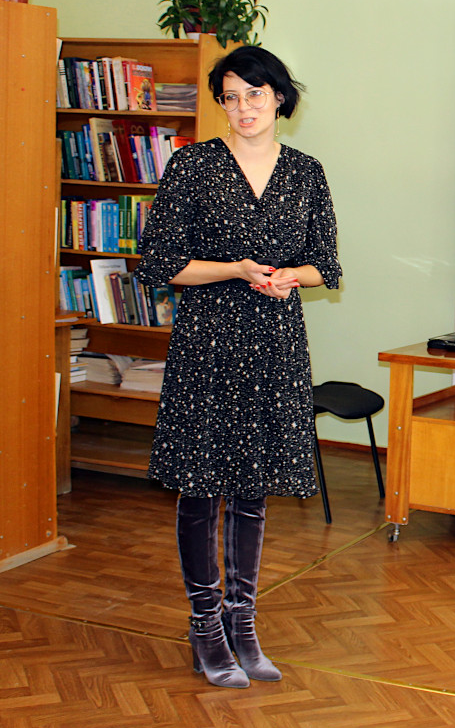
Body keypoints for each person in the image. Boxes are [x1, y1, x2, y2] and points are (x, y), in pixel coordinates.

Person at [135, 46, 342, 688]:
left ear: (279, 97)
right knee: (201, 489)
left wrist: (289, 276)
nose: (244, 107)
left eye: (255, 94)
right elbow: (161, 264)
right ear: (221, 103)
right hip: (207, 343)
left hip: (275, 343)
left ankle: (242, 624)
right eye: (231, 96)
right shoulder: (192, 166)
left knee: (252, 491)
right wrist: (236, 269)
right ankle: (205, 627)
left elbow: (326, 266)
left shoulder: (306, 173)